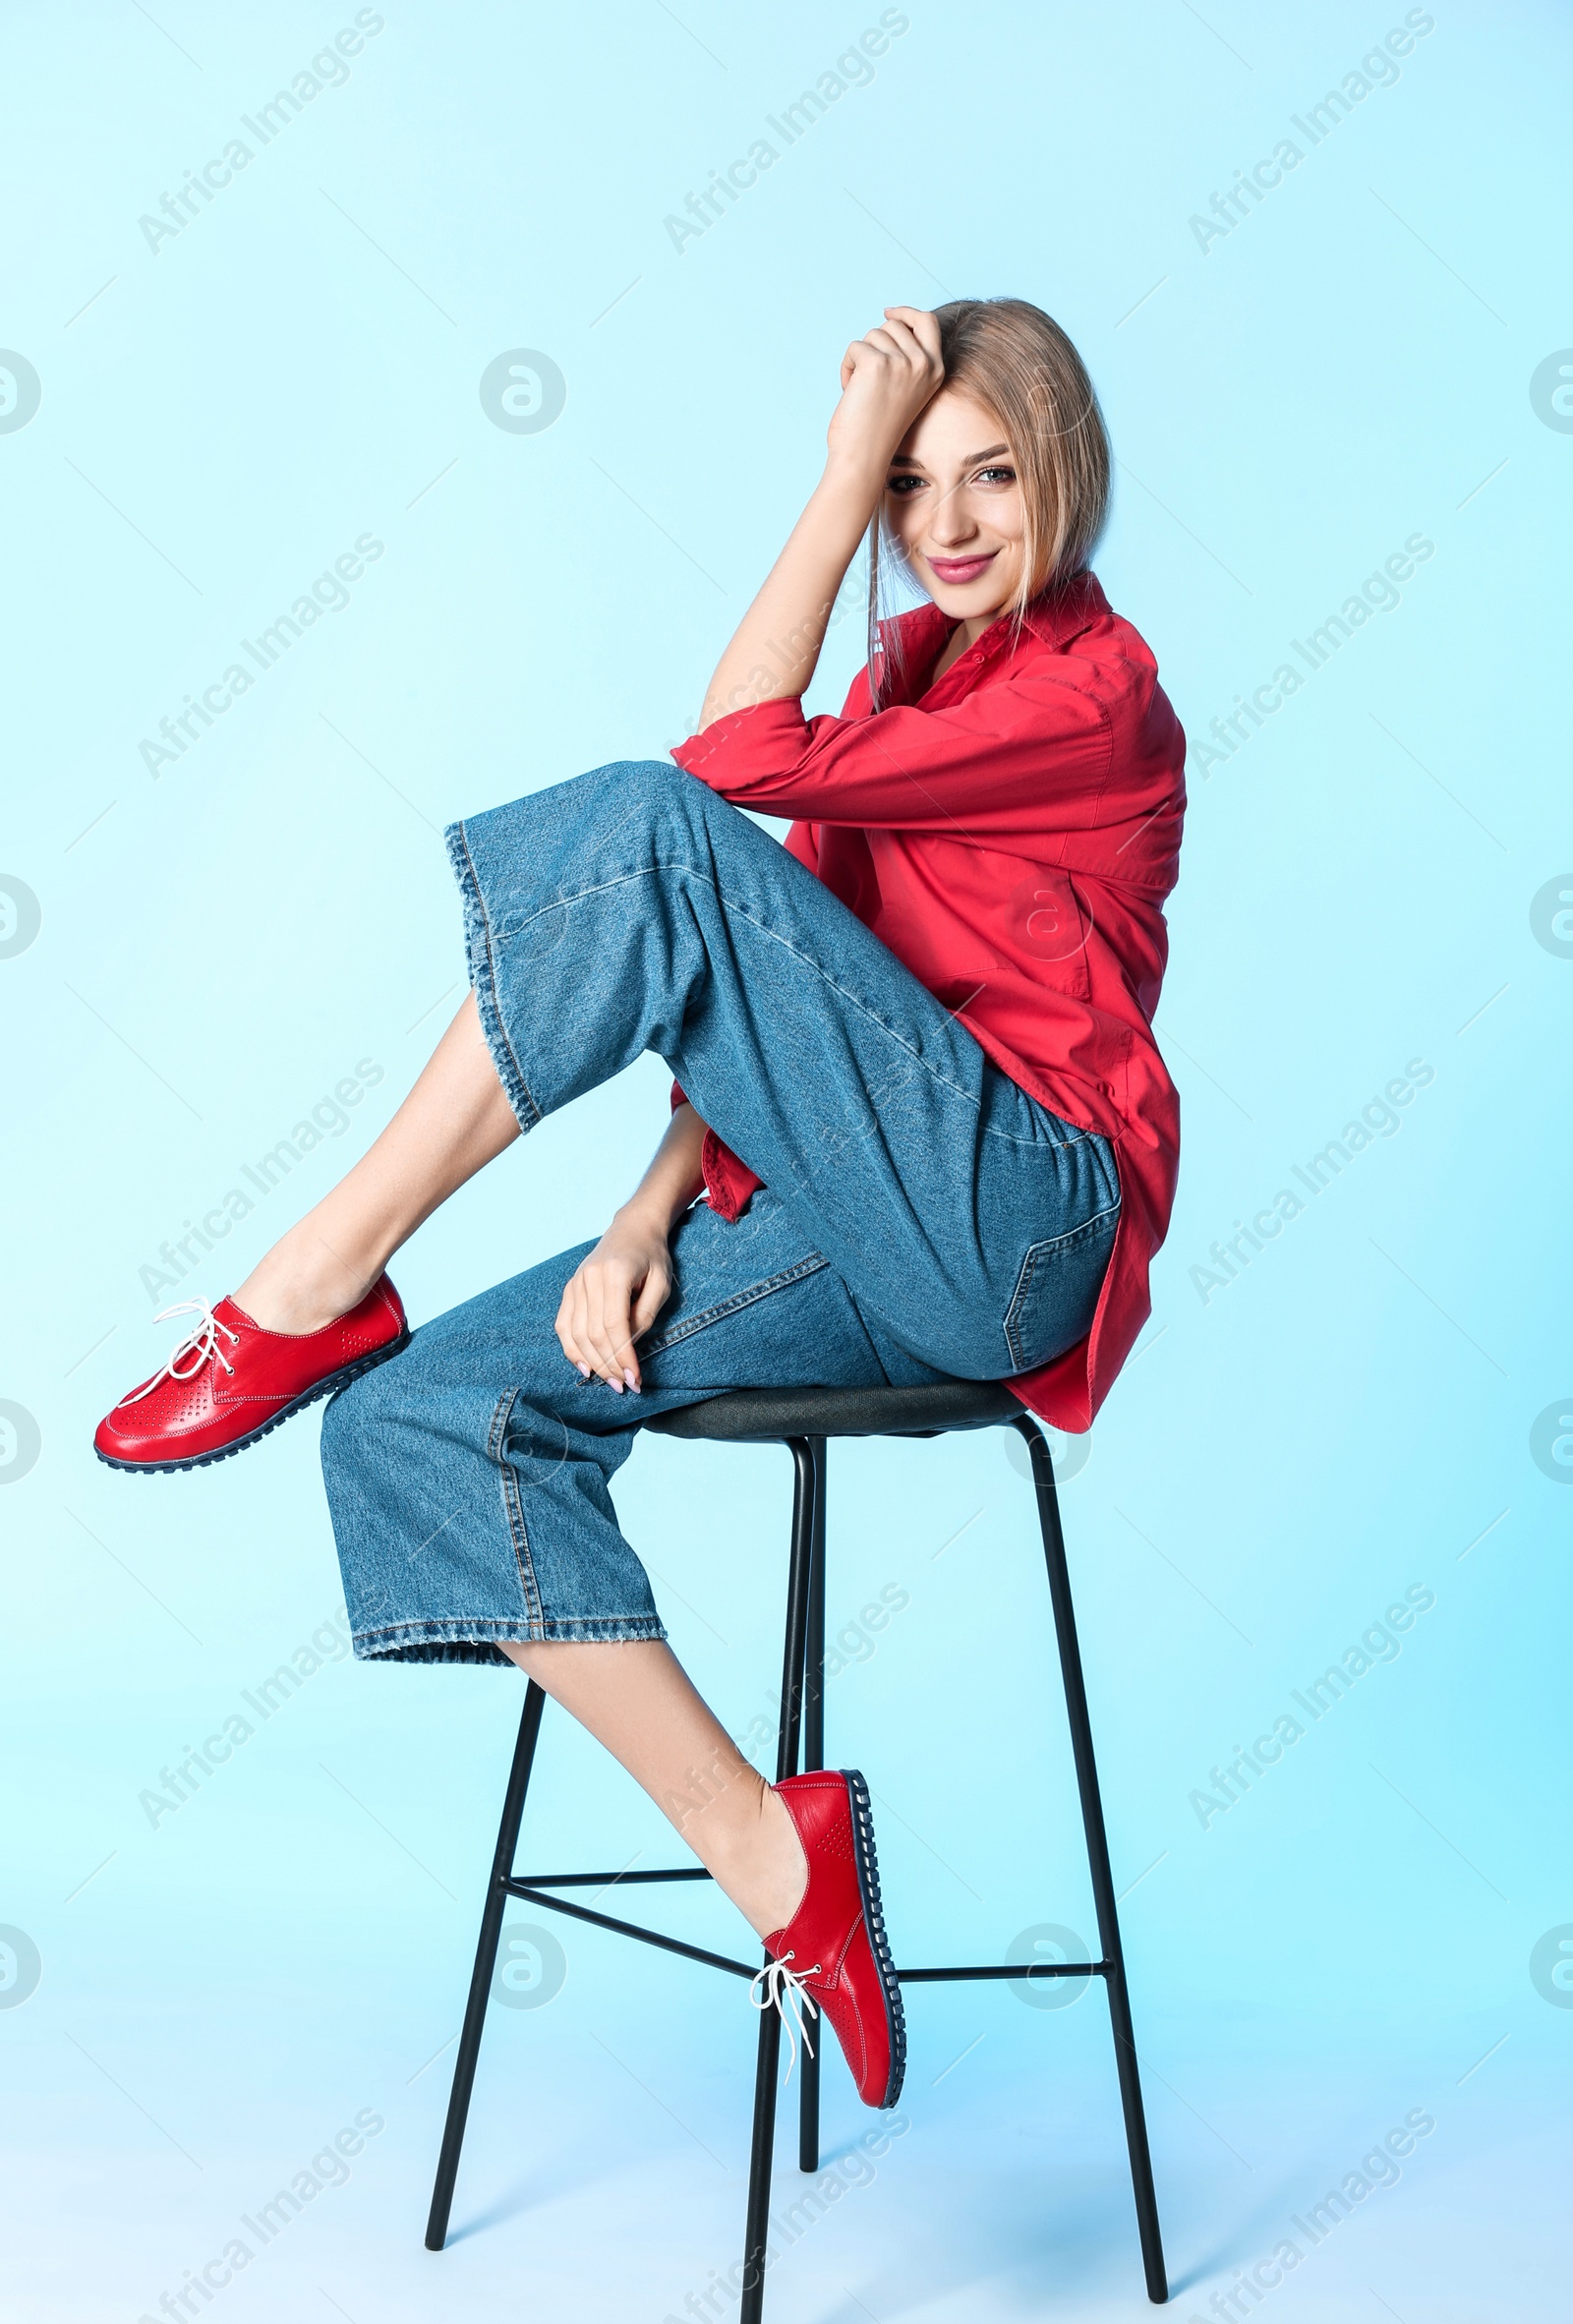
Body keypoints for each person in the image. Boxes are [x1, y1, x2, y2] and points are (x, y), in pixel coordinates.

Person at [93, 300, 1187, 2110]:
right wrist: (640, 1218)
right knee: (415, 1419)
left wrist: (832, 472)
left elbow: (723, 769)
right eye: (911, 485)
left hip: (1015, 1226)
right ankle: (777, 1861)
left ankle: (317, 1269)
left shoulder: (1095, 690)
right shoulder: (902, 687)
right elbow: (751, 1001)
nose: (946, 523)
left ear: (1063, 463)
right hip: (858, 1213)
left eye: (985, 474)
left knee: (641, 818)